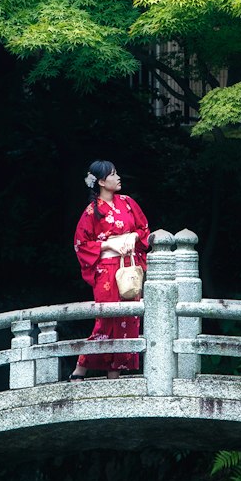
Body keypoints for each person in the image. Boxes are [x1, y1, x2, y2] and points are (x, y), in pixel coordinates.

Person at [69, 160, 150, 380]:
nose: (118, 178)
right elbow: (81, 243)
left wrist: (132, 236)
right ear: (102, 182)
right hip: (106, 269)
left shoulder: (128, 202)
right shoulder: (92, 211)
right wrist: (108, 244)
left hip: (128, 265)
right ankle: (82, 366)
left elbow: (144, 230)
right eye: (113, 175)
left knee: (129, 318)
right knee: (106, 319)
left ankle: (115, 372)